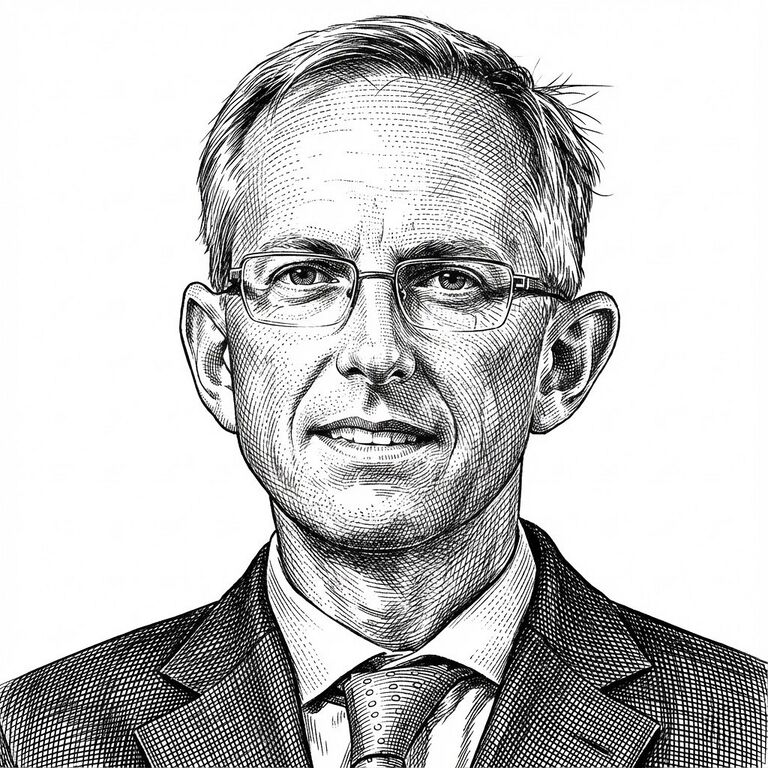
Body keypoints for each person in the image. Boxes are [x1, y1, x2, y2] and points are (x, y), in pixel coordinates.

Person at [1, 15, 765, 768]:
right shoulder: (35, 738)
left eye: (450, 280)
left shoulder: (748, 730)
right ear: (217, 356)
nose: (375, 352)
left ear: (564, 361)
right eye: (304, 275)